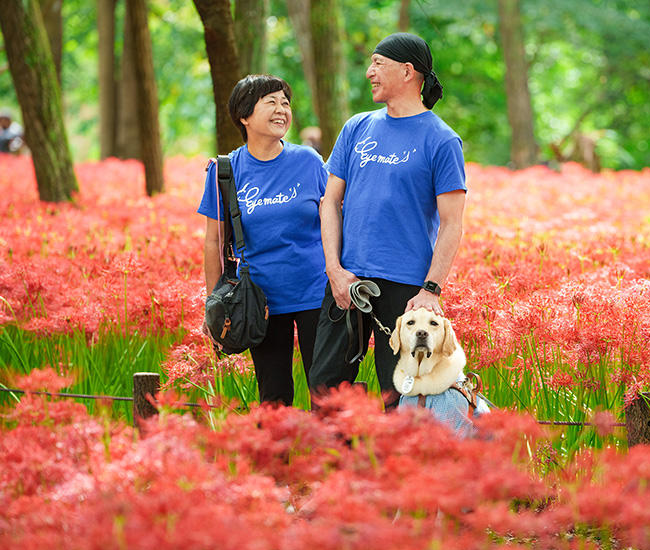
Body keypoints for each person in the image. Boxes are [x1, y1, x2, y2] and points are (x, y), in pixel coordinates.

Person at [308, 32, 467, 410]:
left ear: (408, 71)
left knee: (401, 392)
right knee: (325, 386)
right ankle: (333, 467)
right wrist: (334, 269)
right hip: (347, 281)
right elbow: (329, 202)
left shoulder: (442, 140)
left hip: (408, 291)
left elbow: (452, 223)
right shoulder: (356, 128)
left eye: (378, 63)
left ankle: (392, 469)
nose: (369, 73)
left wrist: (430, 289)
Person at [197, 75, 328, 407]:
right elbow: (214, 242)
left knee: (327, 392)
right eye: (270, 102)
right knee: (274, 396)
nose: (281, 109)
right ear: (244, 115)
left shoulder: (309, 162)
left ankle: (332, 459)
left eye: (285, 103)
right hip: (259, 300)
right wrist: (215, 306)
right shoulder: (225, 171)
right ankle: (275, 459)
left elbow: (335, 220)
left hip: (316, 292)